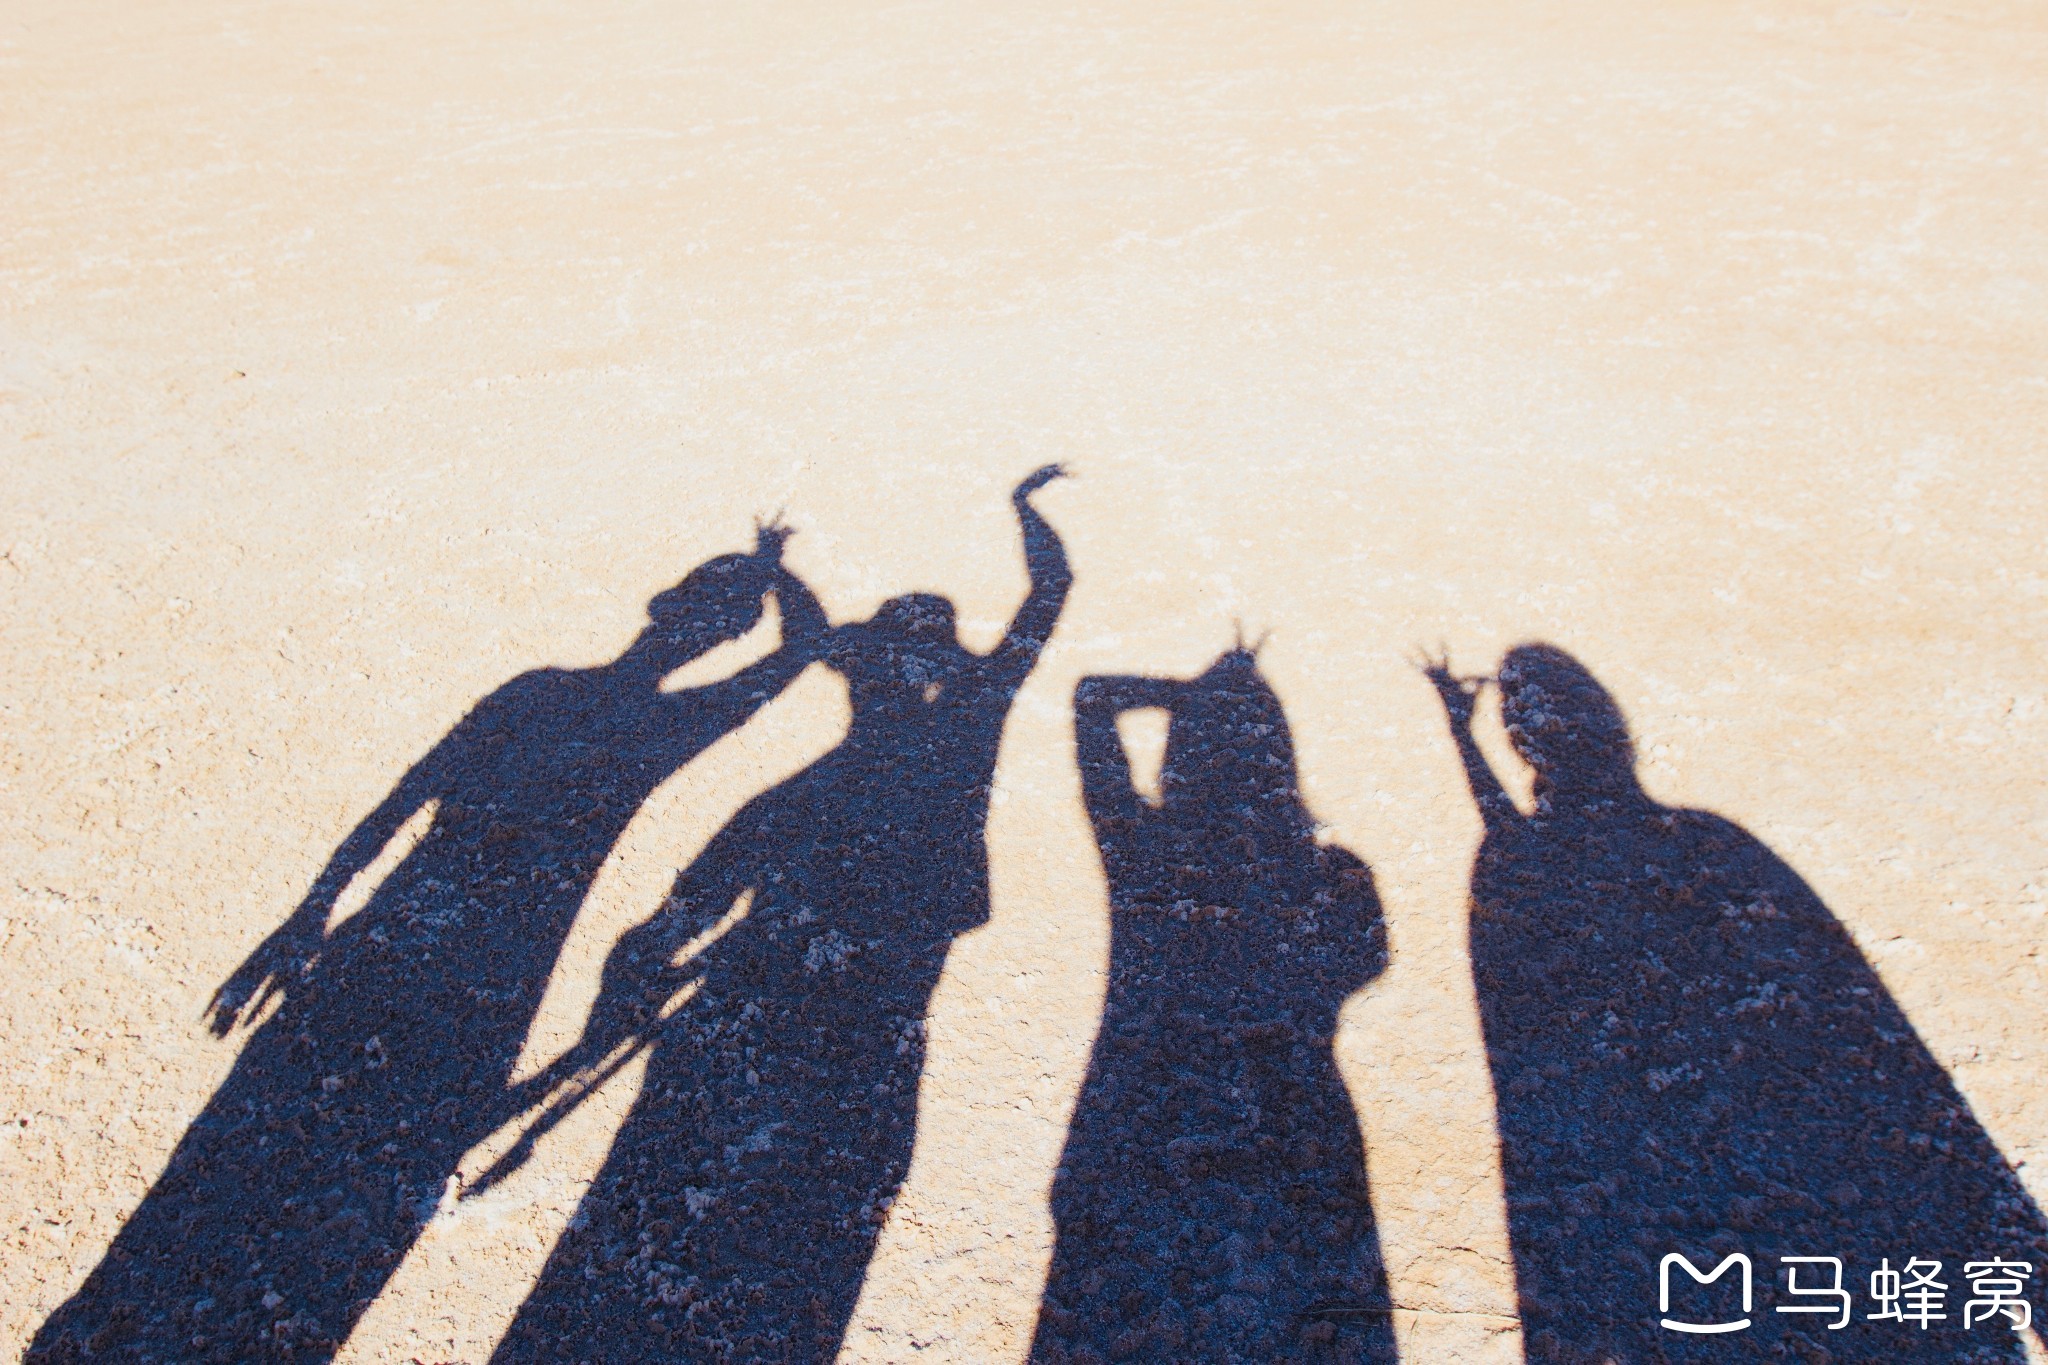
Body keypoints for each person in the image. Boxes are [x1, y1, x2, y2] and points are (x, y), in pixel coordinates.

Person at [31, 528, 824, 1363]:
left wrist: (312, 913)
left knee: (245, 1151)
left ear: (669, 613)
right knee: (351, 1182)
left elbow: (403, 801)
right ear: (720, 635)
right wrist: (779, 575)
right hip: (506, 969)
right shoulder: (666, 723)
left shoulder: (538, 693)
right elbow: (798, 656)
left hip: (391, 929)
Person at [488, 467, 1072, 1362]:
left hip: (774, 997)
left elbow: (664, 927)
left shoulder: (803, 795)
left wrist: (776, 571)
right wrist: (1024, 509)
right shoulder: (974, 711)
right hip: (884, 1003)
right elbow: (1048, 592)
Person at [1425, 642, 2048, 1362]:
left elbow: (1513, 840)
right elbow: (1867, 1021)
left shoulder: (1524, 864)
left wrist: (1460, 737)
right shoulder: (1711, 839)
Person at [1032, 649, 1397, 1364]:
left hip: (1139, 1124)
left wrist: (1183, 693)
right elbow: (1369, 960)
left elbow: (1091, 697)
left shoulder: (1139, 845)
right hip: (1293, 1139)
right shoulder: (1329, 871)